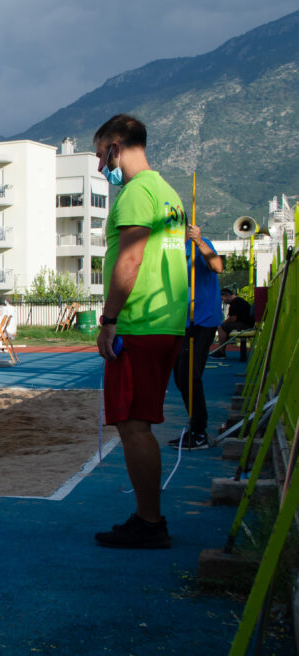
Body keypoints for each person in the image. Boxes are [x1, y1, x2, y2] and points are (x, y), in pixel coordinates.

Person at [92, 114, 188, 549]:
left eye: (99, 156)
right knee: (140, 421)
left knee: (133, 425)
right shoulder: (167, 193)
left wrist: (109, 320)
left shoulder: (134, 193)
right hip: (166, 322)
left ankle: (150, 523)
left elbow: (130, 261)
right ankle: (149, 519)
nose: (100, 168)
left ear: (115, 146)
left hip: (138, 325)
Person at [170, 225, 223, 450]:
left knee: (191, 375)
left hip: (202, 320)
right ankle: (195, 427)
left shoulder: (200, 244)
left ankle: (199, 432)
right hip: (182, 321)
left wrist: (199, 241)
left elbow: (218, 267)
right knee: (180, 377)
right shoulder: (170, 250)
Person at [213, 288, 253, 357]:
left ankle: (221, 351)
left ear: (227, 295)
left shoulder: (235, 303)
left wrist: (223, 323)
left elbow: (233, 318)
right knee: (225, 327)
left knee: (221, 327)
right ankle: (222, 349)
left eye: (223, 299)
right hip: (248, 323)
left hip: (245, 325)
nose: (223, 301)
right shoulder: (239, 301)